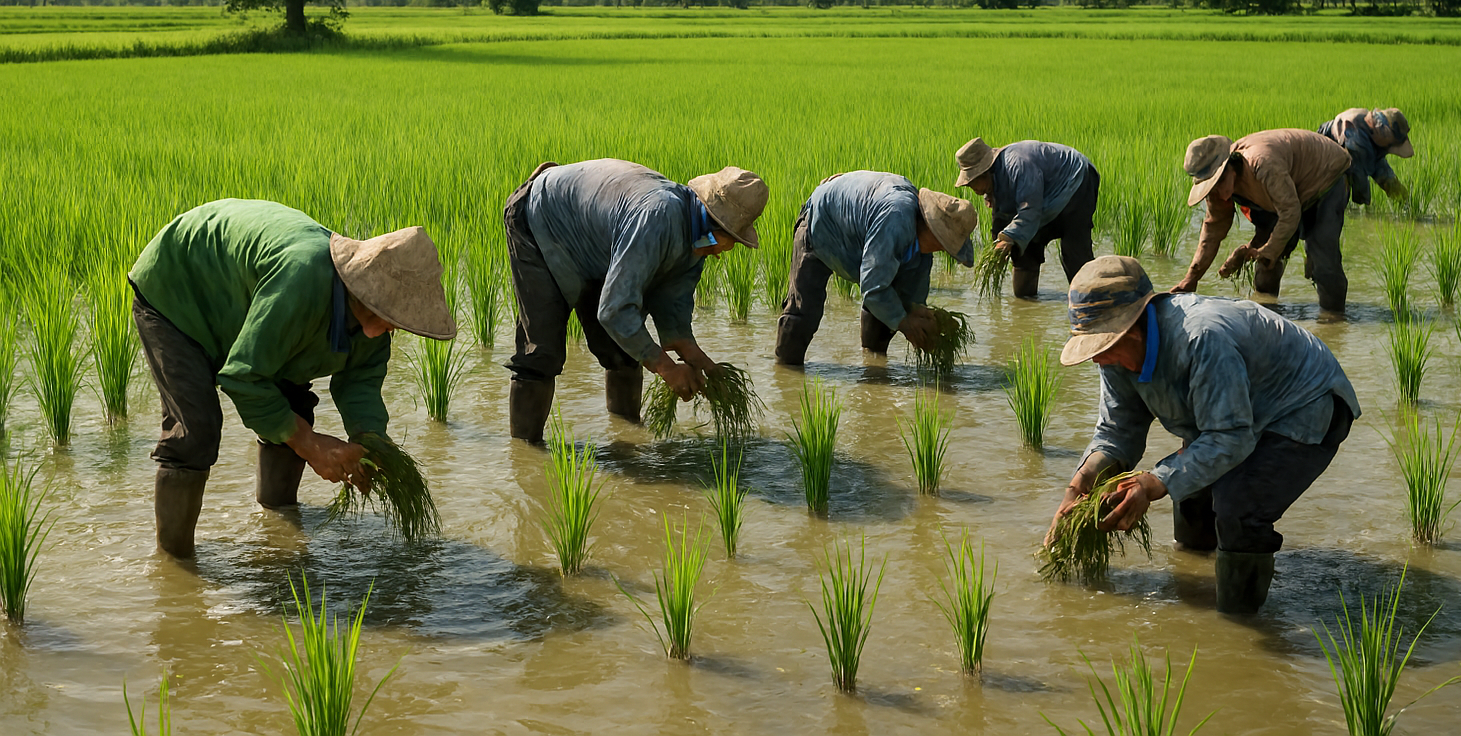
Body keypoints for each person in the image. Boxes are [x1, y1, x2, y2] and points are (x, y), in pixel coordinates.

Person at [128, 198, 457, 559]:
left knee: (293, 406)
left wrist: (371, 442)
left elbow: (359, 383)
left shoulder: (372, 326)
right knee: (196, 430)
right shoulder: (302, 280)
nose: (393, 325)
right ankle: (175, 565)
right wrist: (311, 444)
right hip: (178, 285)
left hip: (246, 300)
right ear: (366, 290)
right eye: (391, 312)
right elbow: (243, 376)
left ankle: (278, 523)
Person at [1052, 256, 1358, 613]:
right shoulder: (1115, 357)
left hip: (1303, 406)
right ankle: (1194, 588)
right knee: (1192, 494)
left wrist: (1151, 484)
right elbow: (1118, 431)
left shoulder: (1200, 338)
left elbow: (1231, 437)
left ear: (1134, 326)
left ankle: (1237, 626)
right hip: (1232, 412)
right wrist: (1079, 487)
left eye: (1102, 346)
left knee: (1238, 505)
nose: (1096, 359)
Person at [504, 159, 768, 443]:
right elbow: (615, 310)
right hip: (541, 218)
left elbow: (673, 309)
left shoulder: (697, 242)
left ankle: (627, 438)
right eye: (730, 239)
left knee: (623, 352)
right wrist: (667, 369)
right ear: (714, 221)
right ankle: (525, 454)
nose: (726, 249)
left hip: (594, 246)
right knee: (541, 353)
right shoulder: (657, 217)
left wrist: (705, 366)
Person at [774, 171, 976, 365]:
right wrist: (906, 325)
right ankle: (785, 374)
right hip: (819, 223)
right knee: (803, 312)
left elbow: (910, 300)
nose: (943, 250)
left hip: (854, 235)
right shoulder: (896, 219)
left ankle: (873, 366)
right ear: (932, 231)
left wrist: (929, 318)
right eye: (945, 245)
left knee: (888, 306)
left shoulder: (921, 255)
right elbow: (873, 288)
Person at [1173, 129, 1352, 312]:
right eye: (1211, 187)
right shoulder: (1218, 192)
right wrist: (1191, 278)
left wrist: (1270, 250)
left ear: (1230, 168)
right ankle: (1268, 312)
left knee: (1323, 260)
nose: (1217, 192)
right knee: (1265, 265)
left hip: (1326, 175)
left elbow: (1290, 212)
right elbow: (1212, 231)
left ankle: (1333, 322)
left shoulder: (1263, 164)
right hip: (1286, 193)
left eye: (1218, 182)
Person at [953, 137, 1098, 297]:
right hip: (1044, 198)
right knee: (1023, 250)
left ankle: (1090, 301)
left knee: (1074, 252)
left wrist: (1008, 238)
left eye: (972, 182)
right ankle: (1025, 304)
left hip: (1075, 180)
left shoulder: (1018, 164)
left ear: (984, 172)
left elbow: (1030, 210)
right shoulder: (994, 182)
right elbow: (1001, 218)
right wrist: (998, 245)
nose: (971, 188)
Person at [1319, 107, 1413, 206]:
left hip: (1360, 148)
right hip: (1328, 152)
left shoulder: (1375, 131)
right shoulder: (1356, 137)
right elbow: (1359, 177)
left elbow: (1381, 169)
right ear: (1384, 132)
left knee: (1388, 180)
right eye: (1391, 144)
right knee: (1337, 192)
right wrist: (1366, 209)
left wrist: (1405, 200)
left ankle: (1407, 203)